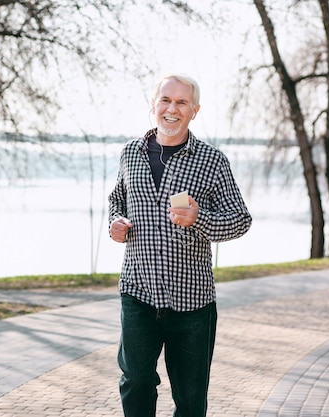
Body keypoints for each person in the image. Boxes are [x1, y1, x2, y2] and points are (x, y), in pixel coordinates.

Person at [108, 73, 252, 417]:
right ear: (154, 105)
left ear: (194, 111)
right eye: (165, 100)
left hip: (191, 303)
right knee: (135, 381)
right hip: (138, 294)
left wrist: (198, 219)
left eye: (181, 102)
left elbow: (240, 220)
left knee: (189, 399)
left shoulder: (211, 160)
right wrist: (116, 224)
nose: (172, 109)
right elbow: (118, 199)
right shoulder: (131, 153)